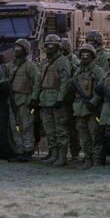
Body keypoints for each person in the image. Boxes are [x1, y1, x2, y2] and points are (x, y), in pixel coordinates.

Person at [30, 34, 71, 167]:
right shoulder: (44, 62)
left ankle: (62, 156)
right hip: (45, 100)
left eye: (51, 45)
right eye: (47, 45)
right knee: (49, 129)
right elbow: (38, 82)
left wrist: (60, 99)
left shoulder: (63, 61)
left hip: (57, 100)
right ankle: (53, 153)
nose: (48, 47)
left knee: (60, 130)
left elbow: (65, 82)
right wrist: (34, 98)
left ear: (58, 46)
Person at [3, 39, 39, 162]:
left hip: (25, 100)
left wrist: (34, 98)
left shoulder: (30, 66)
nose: (16, 50)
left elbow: (37, 83)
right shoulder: (10, 66)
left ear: (25, 50)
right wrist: (3, 84)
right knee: (15, 127)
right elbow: (5, 79)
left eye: (19, 48)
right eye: (15, 47)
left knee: (26, 126)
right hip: (12, 100)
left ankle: (28, 151)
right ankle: (19, 150)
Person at [70, 43, 103, 169]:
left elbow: (101, 89)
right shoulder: (78, 72)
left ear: (92, 56)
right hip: (79, 108)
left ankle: (97, 160)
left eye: (87, 54)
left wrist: (93, 102)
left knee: (95, 135)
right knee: (84, 136)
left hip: (92, 109)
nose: (84, 57)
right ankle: (88, 158)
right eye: (82, 54)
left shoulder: (97, 71)